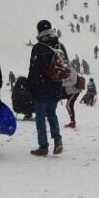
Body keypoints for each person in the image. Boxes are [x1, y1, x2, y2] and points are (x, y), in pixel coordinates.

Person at [28, 20, 68, 156]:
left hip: (41, 88)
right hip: (56, 86)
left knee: (40, 118)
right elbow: (65, 65)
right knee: (52, 114)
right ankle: (58, 141)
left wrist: (30, 86)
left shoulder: (38, 48)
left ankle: (43, 146)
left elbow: (33, 70)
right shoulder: (59, 45)